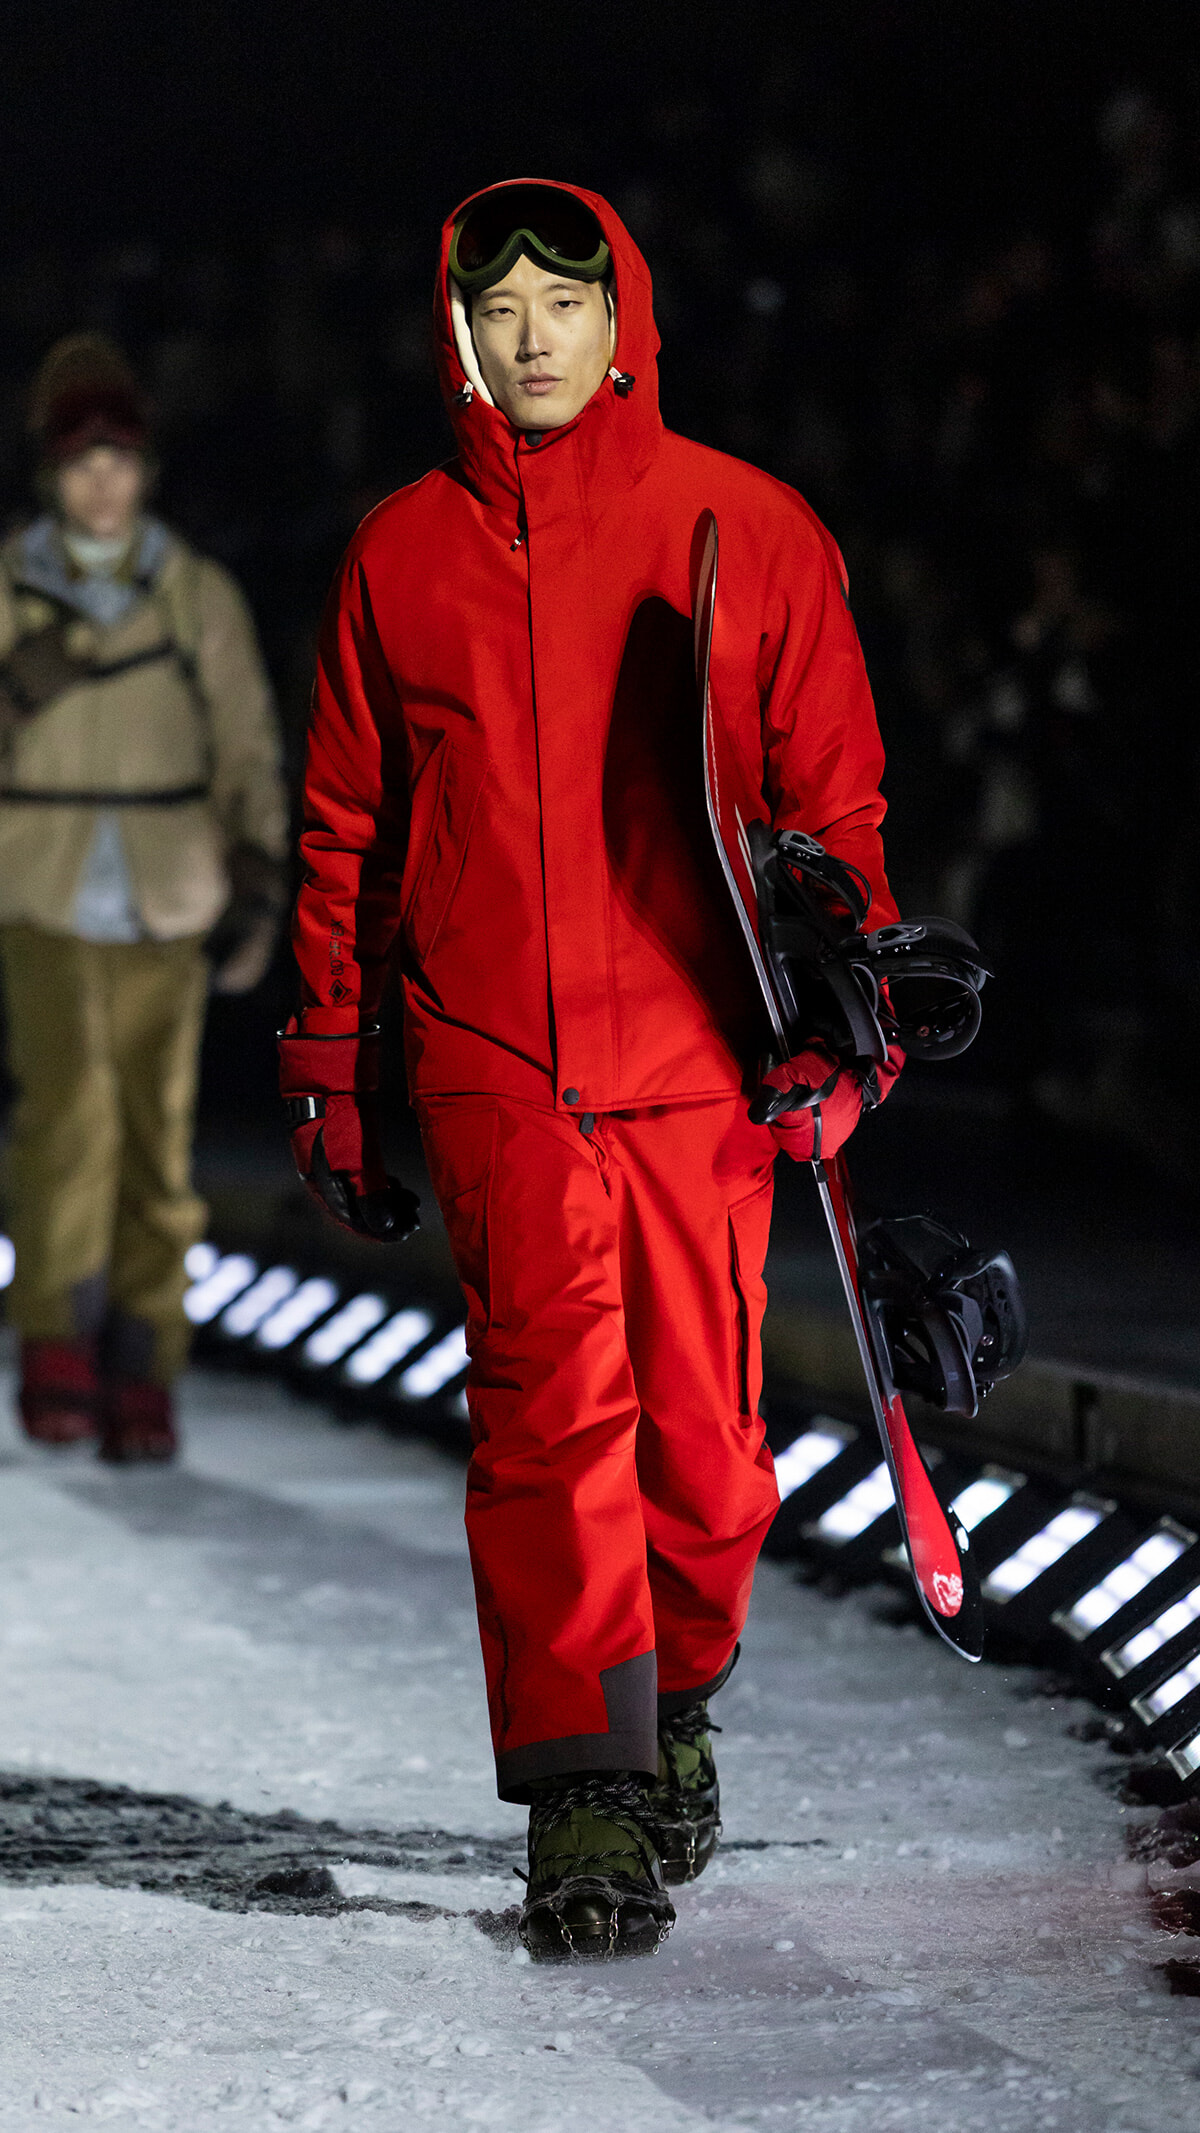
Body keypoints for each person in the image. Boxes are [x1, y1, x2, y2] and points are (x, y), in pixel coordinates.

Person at [280, 182, 902, 1960]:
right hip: (493, 1058)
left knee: (704, 1456)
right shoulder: (400, 552)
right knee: (546, 1425)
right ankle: (584, 1798)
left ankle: (678, 1683)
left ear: (625, 319)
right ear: (457, 333)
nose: (534, 332)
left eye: (566, 297)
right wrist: (335, 1061)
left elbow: (831, 813)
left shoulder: (747, 527)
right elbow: (345, 829)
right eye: (502, 307)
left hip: (696, 1060)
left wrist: (838, 1038)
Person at [0, 335, 288, 1461]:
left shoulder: (193, 591)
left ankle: (142, 1359)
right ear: (51, 473)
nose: (102, 481)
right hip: (38, 884)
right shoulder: (11, 585)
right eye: (82, 460)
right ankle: (58, 1347)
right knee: (66, 1123)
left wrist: (259, 880)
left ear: (147, 469)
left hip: (169, 892)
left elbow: (247, 744)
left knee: (157, 1142)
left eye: (120, 457)